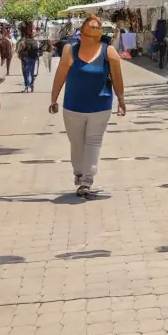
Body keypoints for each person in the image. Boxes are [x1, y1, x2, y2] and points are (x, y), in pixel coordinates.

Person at [49, 15, 126, 198]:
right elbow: (60, 75)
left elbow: (117, 77)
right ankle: (79, 171)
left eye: (94, 34)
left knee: (93, 142)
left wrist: (121, 99)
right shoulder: (70, 51)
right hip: (73, 107)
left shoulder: (109, 53)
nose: (89, 38)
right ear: (81, 33)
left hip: (100, 106)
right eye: (87, 34)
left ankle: (86, 180)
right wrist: (54, 99)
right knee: (76, 142)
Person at [18, 23, 41, 92]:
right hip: (33, 57)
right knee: (32, 72)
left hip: (25, 58)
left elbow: (19, 50)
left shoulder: (22, 41)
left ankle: (26, 86)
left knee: (25, 73)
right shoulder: (35, 41)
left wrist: (20, 55)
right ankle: (31, 85)